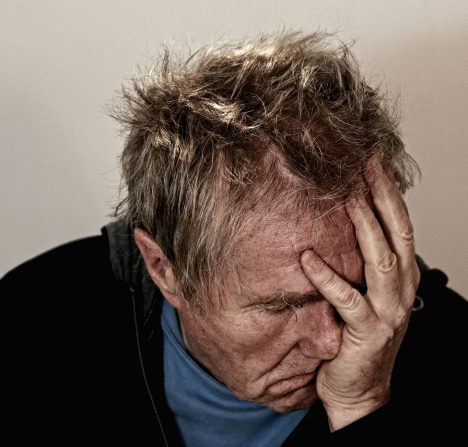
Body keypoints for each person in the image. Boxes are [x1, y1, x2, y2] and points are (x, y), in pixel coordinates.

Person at [2, 30, 466, 445]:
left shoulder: (450, 351)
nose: (330, 342)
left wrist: (362, 407)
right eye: (283, 305)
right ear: (165, 268)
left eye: (357, 290)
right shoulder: (34, 326)